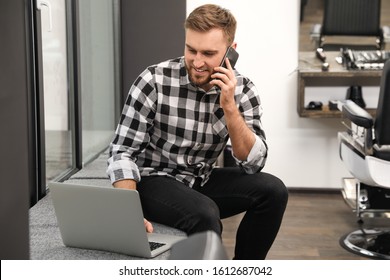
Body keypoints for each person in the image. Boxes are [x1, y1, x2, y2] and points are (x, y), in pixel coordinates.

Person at [107, 4, 288, 260]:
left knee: (274, 190)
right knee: (205, 213)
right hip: (154, 179)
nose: (198, 62)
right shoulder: (153, 81)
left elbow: (252, 164)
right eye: (191, 50)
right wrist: (127, 213)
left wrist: (229, 107)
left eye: (209, 53)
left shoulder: (243, 91)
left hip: (198, 179)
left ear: (230, 52)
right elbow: (121, 152)